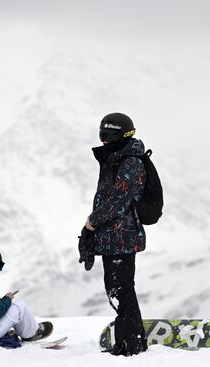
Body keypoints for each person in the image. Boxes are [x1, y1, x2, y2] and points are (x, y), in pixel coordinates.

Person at [83, 112, 148, 356]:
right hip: (113, 237)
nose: (104, 141)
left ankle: (132, 344)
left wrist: (92, 221)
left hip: (123, 237)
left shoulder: (130, 162)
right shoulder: (115, 159)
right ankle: (125, 342)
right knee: (115, 289)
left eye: (109, 135)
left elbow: (118, 201)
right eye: (102, 135)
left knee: (122, 289)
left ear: (124, 135)